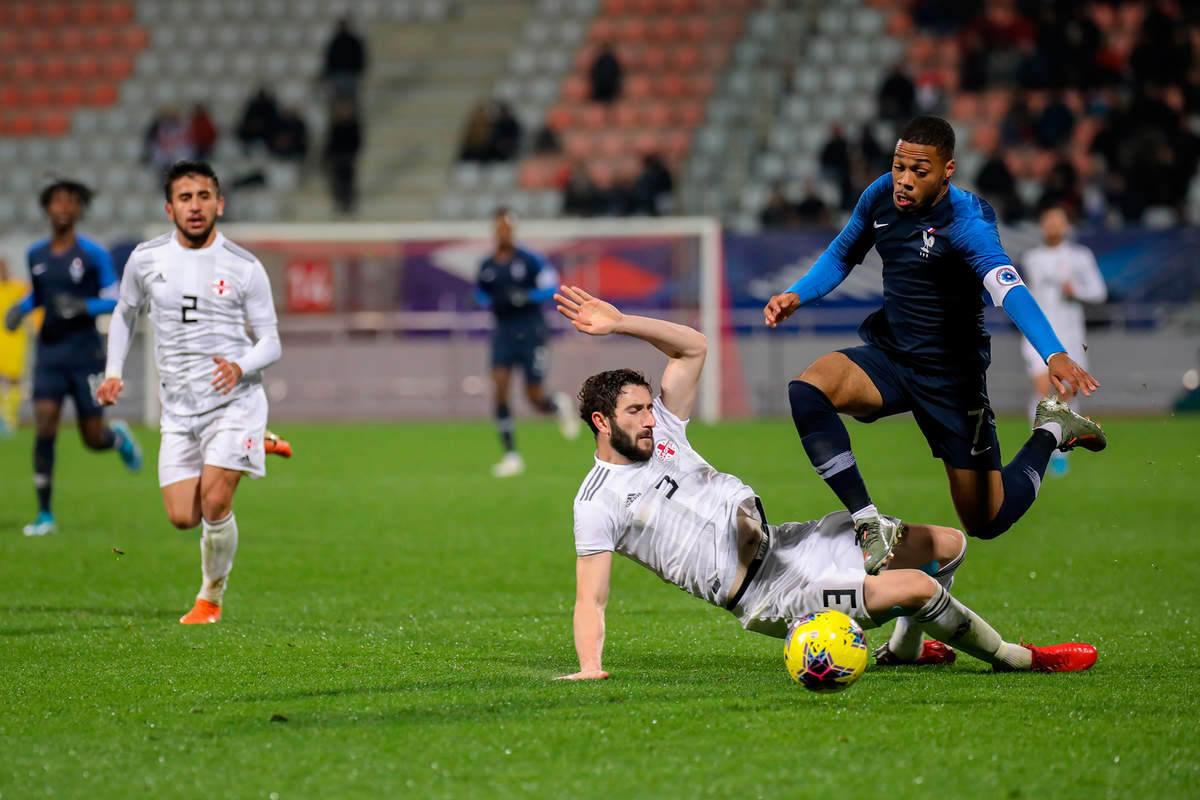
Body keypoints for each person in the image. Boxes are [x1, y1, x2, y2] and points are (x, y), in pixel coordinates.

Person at [553, 285, 1097, 680]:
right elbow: (590, 598)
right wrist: (590, 668)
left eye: (649, 408)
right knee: (920, 586)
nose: (650, 419)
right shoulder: (596, 502)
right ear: (602, 422)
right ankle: (1016, 659)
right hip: (769, 594)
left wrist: (621, 323)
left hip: (791, 542)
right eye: (635, 412)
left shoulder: (666, 428)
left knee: (948, 548)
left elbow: (692, 346)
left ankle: (908, 651)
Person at [762, 116, 1105, 573]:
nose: (903, 180)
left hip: (952, 382)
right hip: (892, 356)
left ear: (947, 170)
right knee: (809, 388)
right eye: (899, 165)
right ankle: (869, 522)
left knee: (987, 520)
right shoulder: (879, 194)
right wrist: (798, 293)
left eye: (918, 171)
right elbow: (843, 252)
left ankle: (1053, 430)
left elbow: (1009, 288)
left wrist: (1054, 352)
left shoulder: (968, 221)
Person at [96, 161, 281, 625]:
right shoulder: (146, 258)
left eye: (202, 196)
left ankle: (210, 599)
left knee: (216, 504)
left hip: (235, 400)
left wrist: (241, 365)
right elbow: (124, 313)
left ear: (219, 204)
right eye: (184, 198)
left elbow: (272, 341)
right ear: (169, 207)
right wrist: (114, 370)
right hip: (178, 408)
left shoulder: (245, 267)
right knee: (183, 516)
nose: (194, 206)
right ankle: (252, 445)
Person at [3, 179, 143, 536]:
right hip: (49, 352)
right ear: (47, 209)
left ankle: (117, 438)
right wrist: (20, 309)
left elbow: (115, 297)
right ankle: (45, 514)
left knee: (91, 437)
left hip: (86, 354)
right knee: (45, 427)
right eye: (56, 202)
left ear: (79, 209)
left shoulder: (94, 255)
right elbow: (41, 295)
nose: (63, 207)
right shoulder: (36, 254)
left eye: (70, 202)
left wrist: (83, 305)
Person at [475, 208, 580, 477]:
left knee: (533, 396)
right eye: (499, 228)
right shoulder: (487, 265)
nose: (503, 233)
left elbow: (551, 287)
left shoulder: (530, 260)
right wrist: (481, 300)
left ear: (513, 231)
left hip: (531, 331)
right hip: (503, 333)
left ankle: (556, 405)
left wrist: (526, 296)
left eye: (508, 228)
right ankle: (511, 456)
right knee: (500, 389)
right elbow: (480, 293)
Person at [1019, 203, 1107, 476]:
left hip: (1070, 336)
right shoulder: (1032, 258)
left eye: (1059, 221)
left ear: (1067, 226)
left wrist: (1076, 290)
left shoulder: (1080, 256)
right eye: (1049, 221)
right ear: (1042, 226)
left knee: (1067, 393)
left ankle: (1061, 451)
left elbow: (1098, 292)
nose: (1054, 226)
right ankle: (1038, 450)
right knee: (1042, 390)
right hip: (1038, 336)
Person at [0, 258, 29, 435]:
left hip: (16, 339)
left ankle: (10, 418)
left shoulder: (19, 287)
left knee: (14, 379)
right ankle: (2, 417)